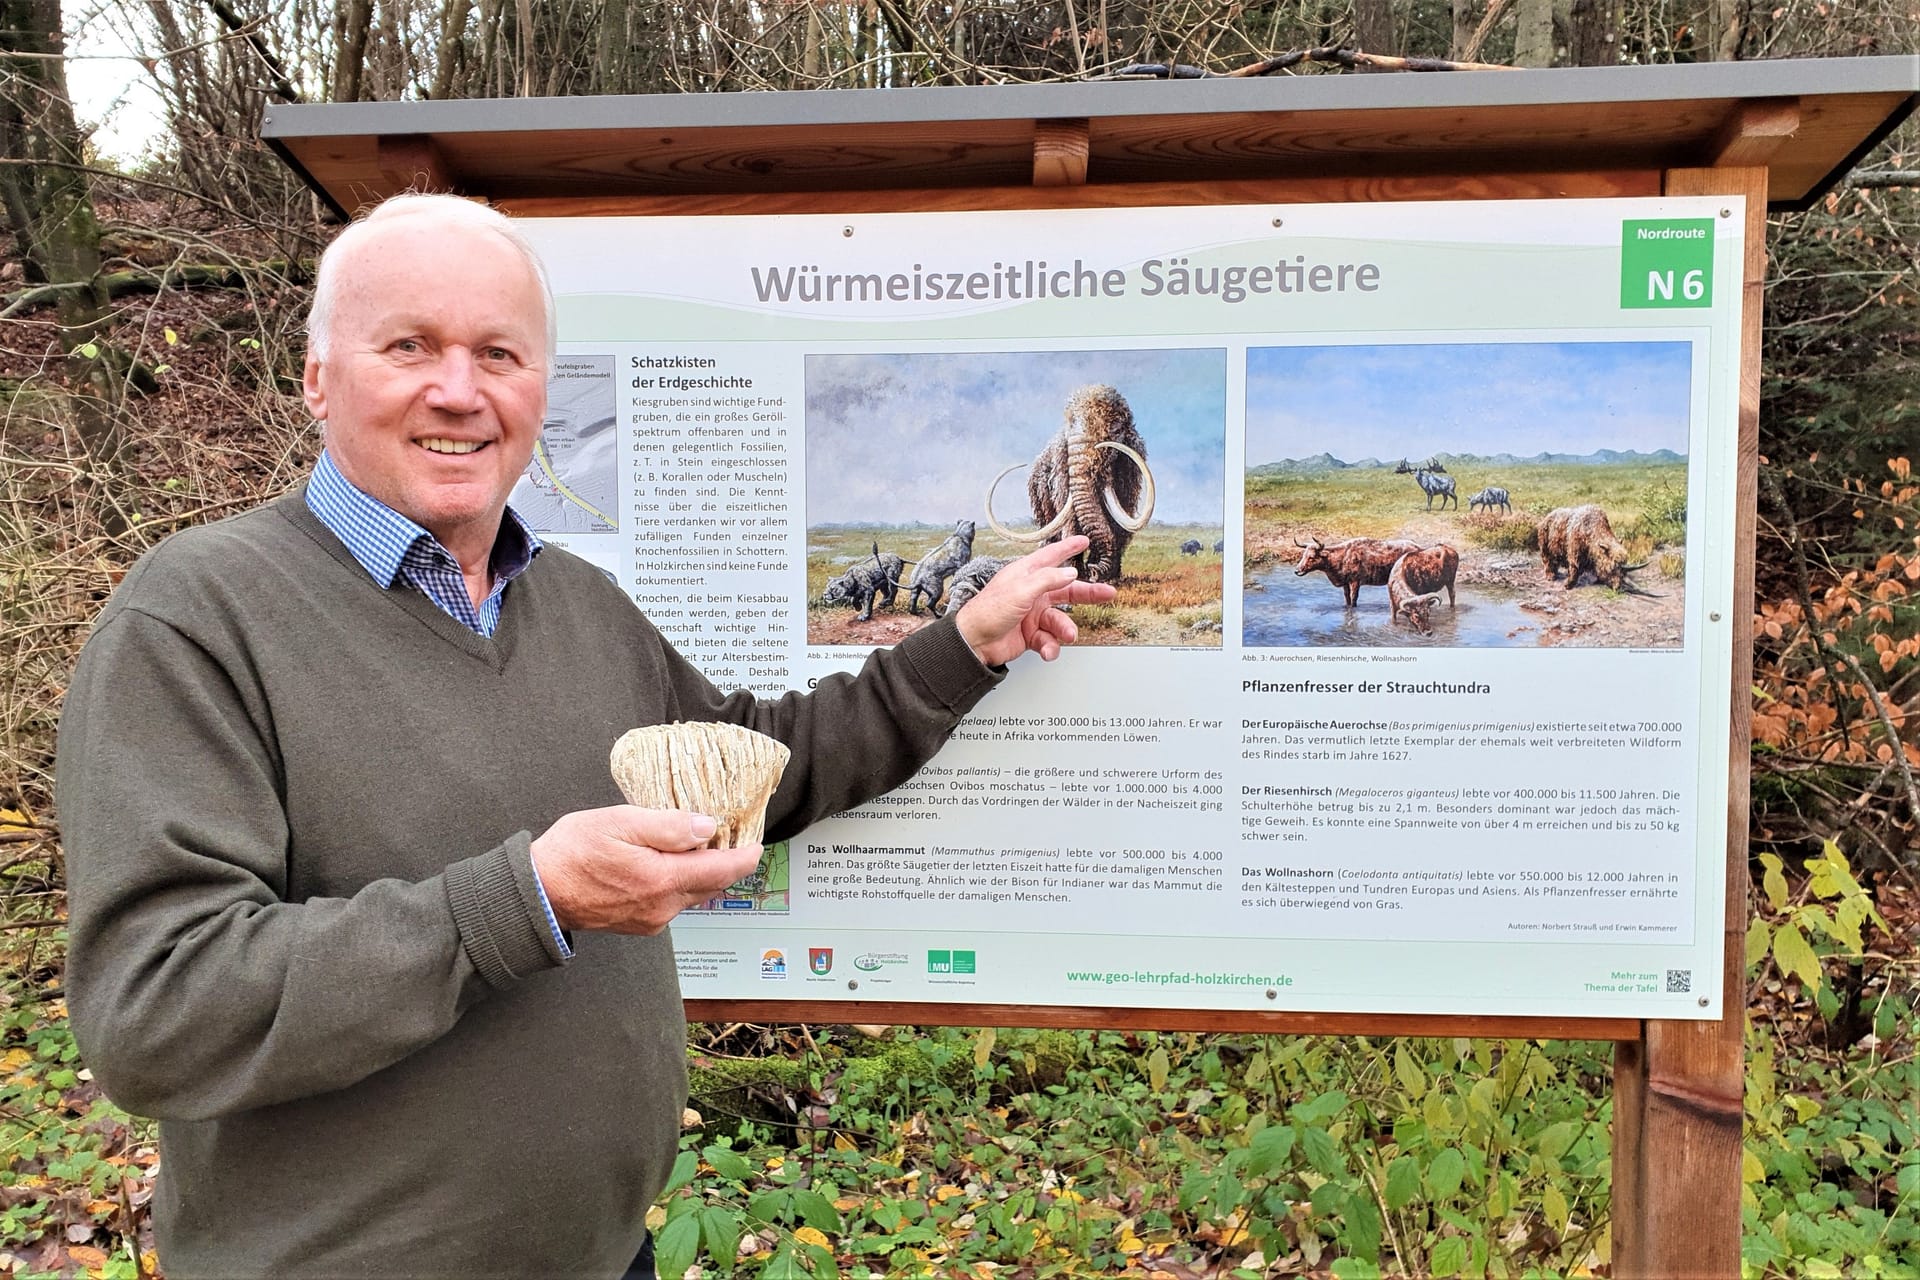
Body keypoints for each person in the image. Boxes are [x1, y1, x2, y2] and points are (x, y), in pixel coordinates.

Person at [55, 193, 1115, 1280]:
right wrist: (531, 900)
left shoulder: (577, 605)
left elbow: (755, 761)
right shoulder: (193, 621)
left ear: (538, 390)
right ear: (320, 376)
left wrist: (964, 643)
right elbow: (158, 1009)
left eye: (498, 352)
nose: (458, 390)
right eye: (409, 345)